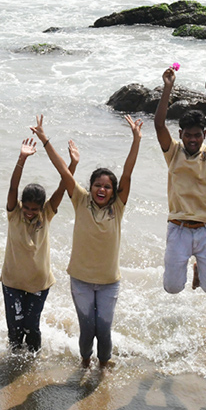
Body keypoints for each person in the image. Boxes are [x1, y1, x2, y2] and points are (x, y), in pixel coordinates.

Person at [33, 114, 143, 370]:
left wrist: (136, 140)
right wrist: (45, 139)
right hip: (81, 279)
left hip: (108, 283)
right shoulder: (80, 200)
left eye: (107, 187)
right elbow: (62, 170)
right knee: (87, 328)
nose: (101, 190)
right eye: (97, 185)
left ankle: (104, 366)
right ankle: (84, 362)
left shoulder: (117, 207)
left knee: (103, 330)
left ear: (114, 191)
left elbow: (128, 172)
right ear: (90, 187)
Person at [2, 133, 78, 353]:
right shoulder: (14, 213)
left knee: (31, 327)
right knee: (15, 329)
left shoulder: (46, 214)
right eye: (27, 208)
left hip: (39, 283)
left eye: (34, 209)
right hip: (12, 282)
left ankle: (32, 363)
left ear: (41, 207)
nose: (29, 213)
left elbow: (63, 187)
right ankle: (14, 363)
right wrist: (22, 159)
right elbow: (12, 188)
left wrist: (72, 164)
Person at [154, 67, 206, 294]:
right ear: (181, 134)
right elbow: (158, 125)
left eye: (197, 135)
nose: (193, 139)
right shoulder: (173, 152)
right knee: (172, 288)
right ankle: (188, 265)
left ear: (204, 134)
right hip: (178, 227)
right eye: (188, 134)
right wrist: (168, 87)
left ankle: (198, 269)